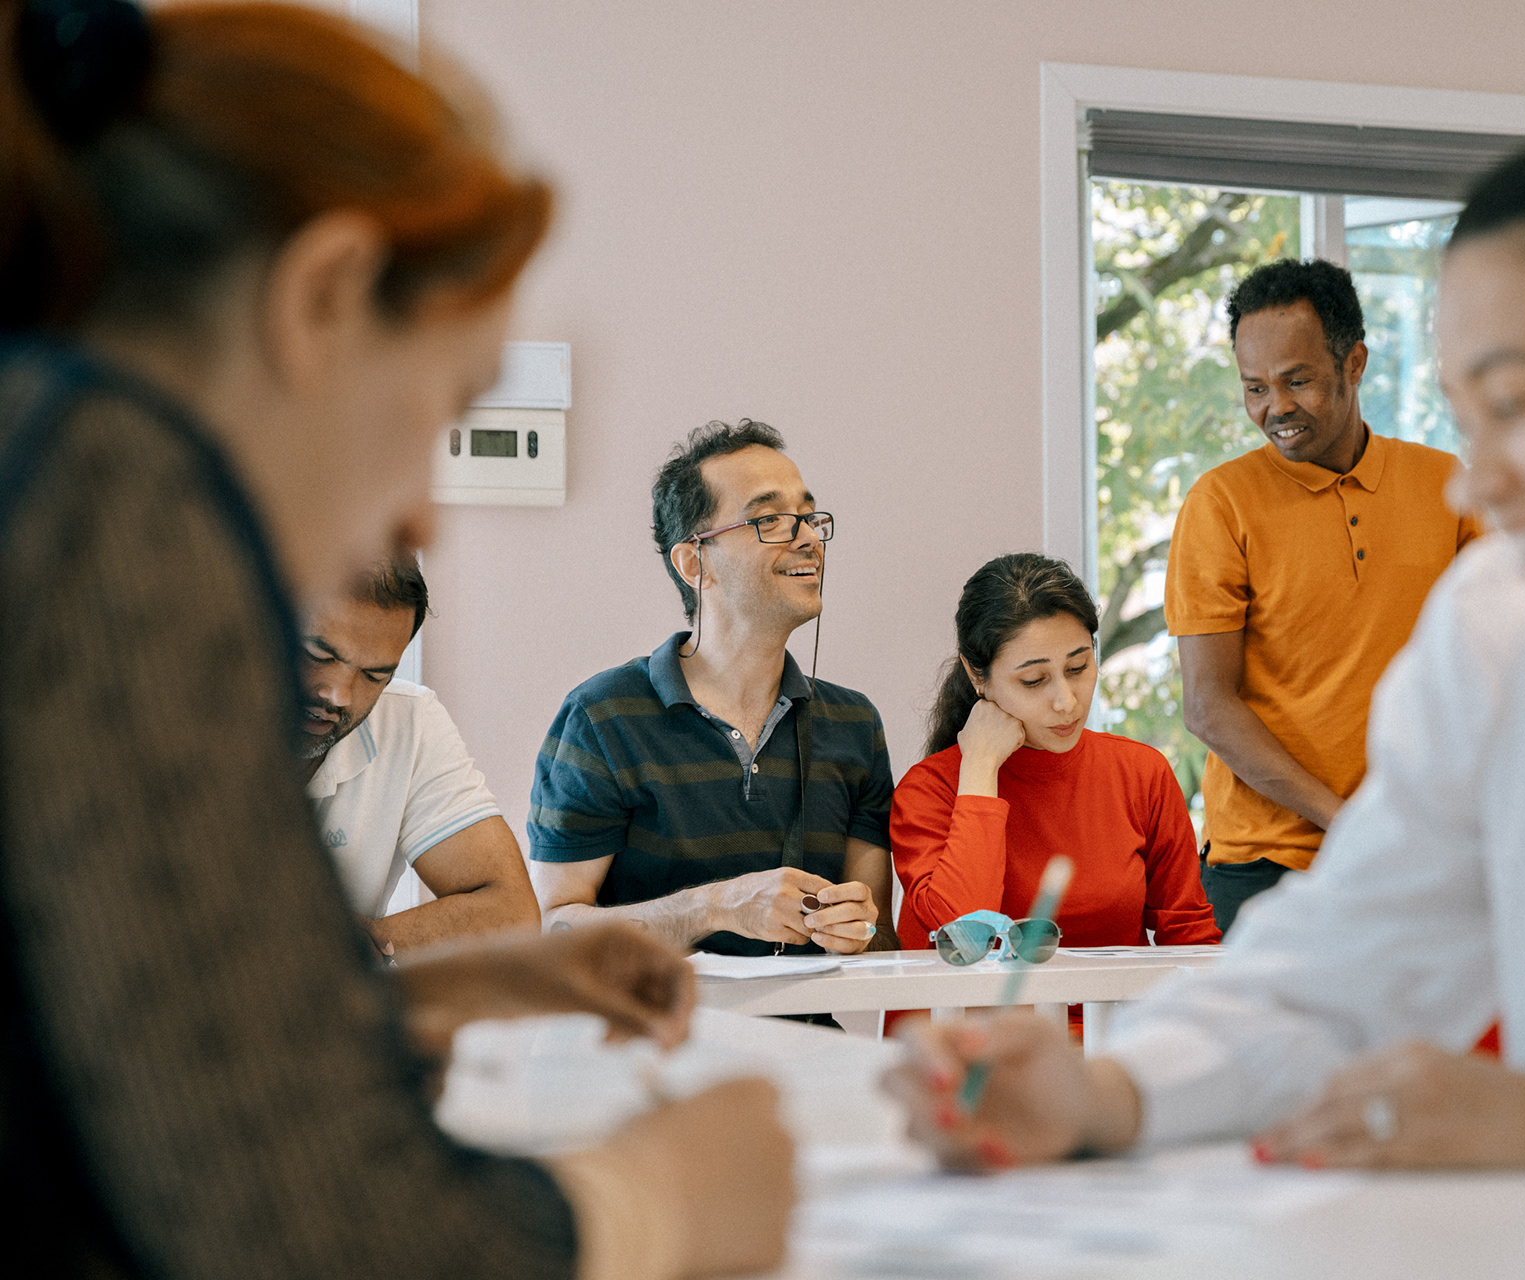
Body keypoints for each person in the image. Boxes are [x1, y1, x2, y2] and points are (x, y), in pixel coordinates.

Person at [883, 121, 1525, 1244]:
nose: (1478, 484)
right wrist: (1104, 1094)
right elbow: (1333, 971)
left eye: (1516, 404)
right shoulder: (1503, 632)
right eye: (1465, 421)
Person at [0, 3, 790, 1277]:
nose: (424, 510)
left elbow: (129, 1047)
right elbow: (301, 1220)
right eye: (446, 405)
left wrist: (459, 988)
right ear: (323, 295)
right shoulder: (105, 490)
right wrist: (657, 1198)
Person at [1168, 259, 1479, 932]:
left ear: (1354, 362)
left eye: (1296, 380)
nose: (1273, 406)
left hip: (1414, 858)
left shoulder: (1446, 487)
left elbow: (1493, 669)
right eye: (1254, 387)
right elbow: (1208, 706)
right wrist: (1345, 819)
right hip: (1264, 871)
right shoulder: (1221, 505)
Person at [528, 420, 896, 956]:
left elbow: (880, 939)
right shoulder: (603, 717)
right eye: (769, 518)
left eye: (809, 517)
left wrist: (859, 930)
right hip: (652, 1039)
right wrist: (716, 907)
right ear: (693, 562)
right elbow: (554, 930)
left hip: (807, 1039)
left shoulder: (854, 724)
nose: (810, 538)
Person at [891, 553, 1219, 959]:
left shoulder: (1141, 773)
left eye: (1078, 667)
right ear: (978, 675)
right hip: (980, 1023)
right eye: (1034, 680)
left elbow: (1191, 939)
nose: (1066, 702)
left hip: (1110, 1021)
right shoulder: (929, 790)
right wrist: (978, 769)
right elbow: (964, 938)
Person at [301, 557, 540, 954]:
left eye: (374, 676)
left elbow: (512, 914)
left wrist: (352, 948)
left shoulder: (409, 721)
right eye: (318, 654)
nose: (339, 695)